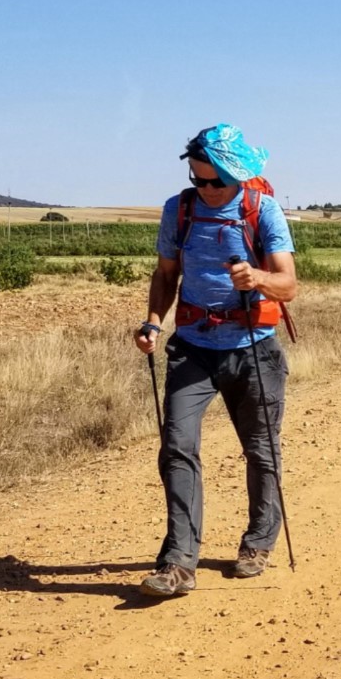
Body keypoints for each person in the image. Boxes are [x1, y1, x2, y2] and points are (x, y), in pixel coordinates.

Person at [132, 125, 299, 596]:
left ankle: (258, 542)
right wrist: (151, 322)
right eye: (197, 179)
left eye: (214, 183)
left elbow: (289, 285)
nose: (204, 190)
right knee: (176, 448)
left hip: (254, 348)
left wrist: (258, 278)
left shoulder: (262, 209)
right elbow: (166, 275)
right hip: (192, 347)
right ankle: (179, 562)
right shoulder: (178, 210)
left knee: (261, 450)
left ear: (238, 176)